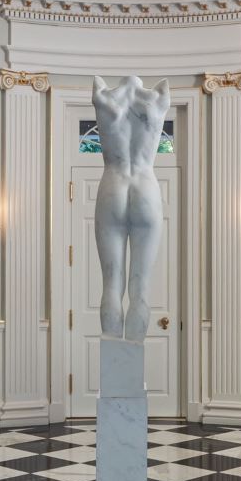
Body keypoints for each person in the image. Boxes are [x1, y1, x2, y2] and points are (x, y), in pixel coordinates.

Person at [90, 75, 169, 341]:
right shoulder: (158, 97)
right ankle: (132, 364)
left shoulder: (102, 96)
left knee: (111, 284)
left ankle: (116, 369)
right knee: (140, 287)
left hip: (112, 184)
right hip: (146, 186)